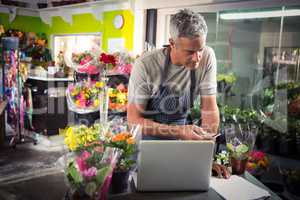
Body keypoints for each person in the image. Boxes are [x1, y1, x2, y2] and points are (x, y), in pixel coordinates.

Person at [127, 9, 229, 178]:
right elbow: (133, 121)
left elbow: (209, 109)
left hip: (182, 146)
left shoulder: (207, 57)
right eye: (190, 52)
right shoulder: (146, 65)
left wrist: (206, 156)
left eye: (200, 49)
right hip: (146, 147)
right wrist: (179, 131)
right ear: (172, 43)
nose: (197, 58)